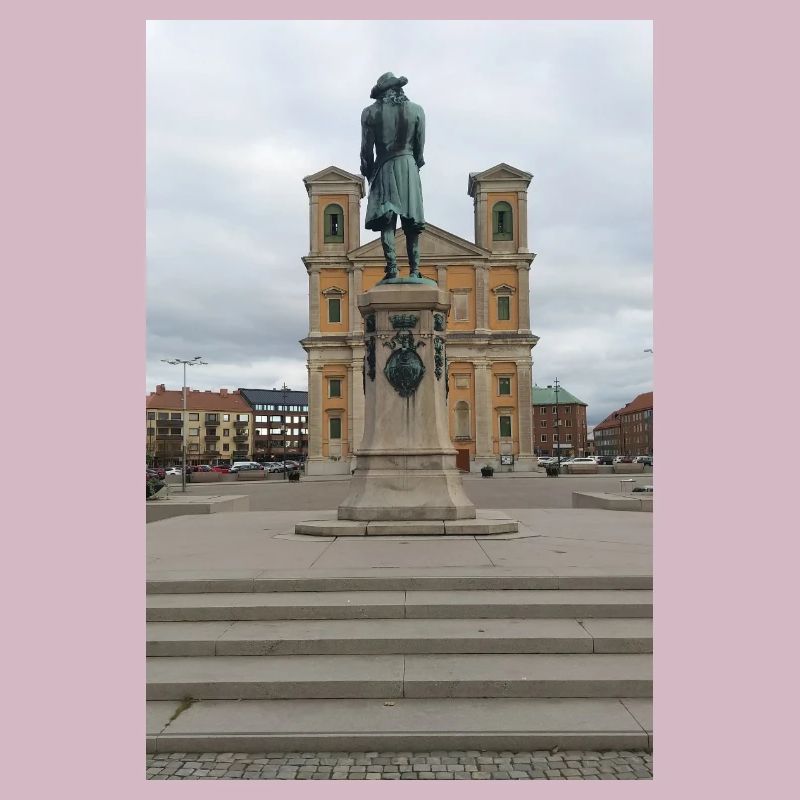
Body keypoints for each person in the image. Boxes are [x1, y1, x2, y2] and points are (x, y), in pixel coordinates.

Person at [360, 72, 426, 279]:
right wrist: (414, 164)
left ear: (382, 93)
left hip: (385, 166)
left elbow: (366, 150)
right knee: (412, 223)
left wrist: (369, 171)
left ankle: (392, 268)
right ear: (398, 90)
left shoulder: (370, 113)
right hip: (408, 165)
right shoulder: (417, 110)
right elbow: (420, 147)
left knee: (387, 223)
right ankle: (415, 270)